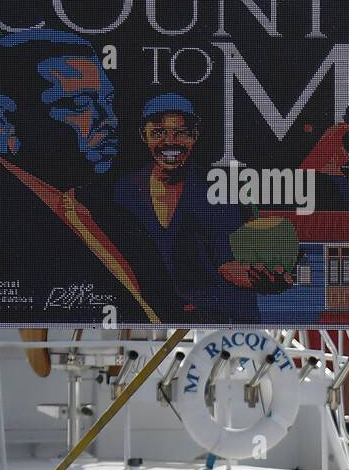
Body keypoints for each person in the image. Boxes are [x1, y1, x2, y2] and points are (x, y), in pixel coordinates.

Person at [0, 27, 185, 324]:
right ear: (3, 117)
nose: (110, 119)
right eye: (79, 104)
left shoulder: (115, 220)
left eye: (106, 101)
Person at [114, 93, 291, 321]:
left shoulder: (218, 191)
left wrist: (256, 278)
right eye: (158, 132)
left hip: (215, 321)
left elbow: (226, 259)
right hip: (150, 319)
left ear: (195, 136)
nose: (170, 142)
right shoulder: (123, 192)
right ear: (143, 135)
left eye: (181, 133)